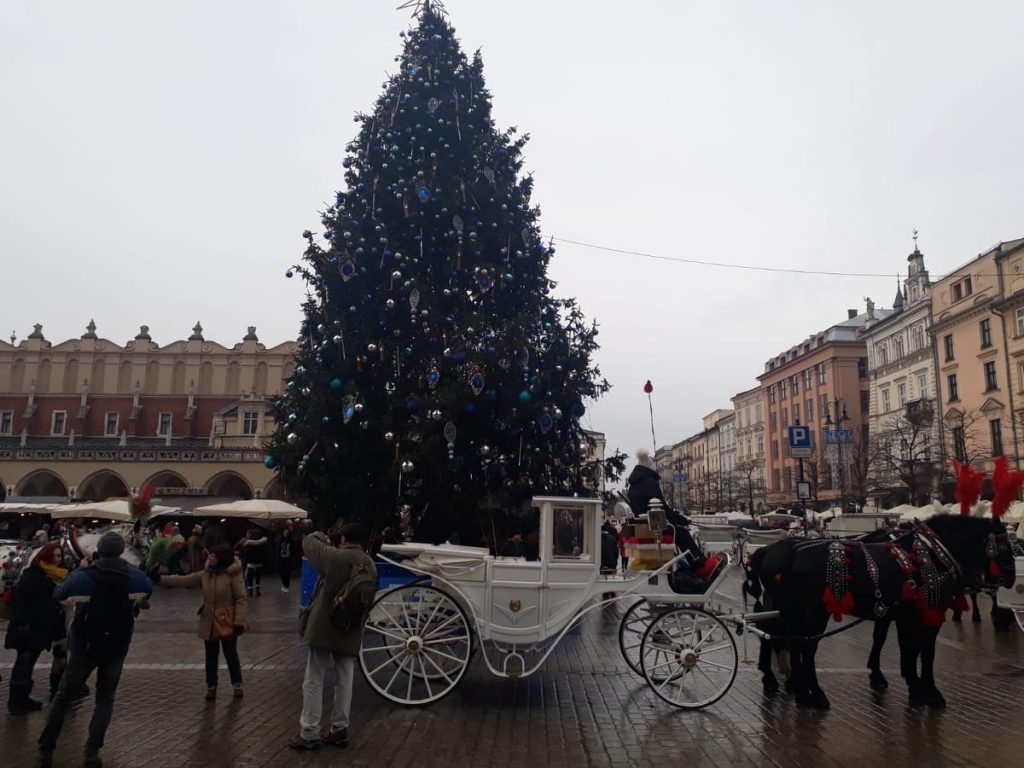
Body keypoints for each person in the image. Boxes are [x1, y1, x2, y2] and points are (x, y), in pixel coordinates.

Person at [38, 532, 152, 768]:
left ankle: (46, 746)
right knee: (105, 699)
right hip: (117, 646)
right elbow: (147, 591)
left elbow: (58, 595)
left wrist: (80, 570)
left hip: (83, 646)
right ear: (121, 551)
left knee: (63, 697)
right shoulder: (136, 577)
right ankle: (92, 752)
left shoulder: (84, 576)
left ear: (98, 550)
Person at [288, 524, 376, 751]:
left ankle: (309, 732)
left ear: (344, 538)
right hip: (351, 627)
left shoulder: (334, 557)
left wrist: (323, 535)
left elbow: (309, 543)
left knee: (314, 678)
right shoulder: (370, 564)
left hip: (324, 626)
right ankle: (339, 729)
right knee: (345, 679)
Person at [157, 542, 248, 699]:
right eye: (210, 554)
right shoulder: (206, 573)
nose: (209, 557)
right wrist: (161, 579)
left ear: (221, 558)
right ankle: (211, 686)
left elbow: (241, 598)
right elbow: (186, 580)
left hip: (227, 620)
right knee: (211, 655)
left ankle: (237, 684)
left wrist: (239, 621)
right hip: (209, 619)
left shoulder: (232, 574)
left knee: (230, 653)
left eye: (213, 555)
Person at [5, 543, 68, 715]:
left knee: (28, 663)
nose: (59, 559)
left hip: (36, 627)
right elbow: (26, 603)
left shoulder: (50, 575)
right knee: (24, 663)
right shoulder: (34, 576)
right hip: (28, 628)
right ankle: (17, 702)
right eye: (55, 556)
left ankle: (22, 698)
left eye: (60, 556)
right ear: (46, 557)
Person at [240, 528, 268, 597]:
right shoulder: (261, 542)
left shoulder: (248, 543)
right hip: (259, 562)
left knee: (250, 577)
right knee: (258, 577)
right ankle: (258, 591)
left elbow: (246, 553)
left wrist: (243, 545)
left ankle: (250, 592)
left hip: (250, 562)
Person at [278, 528, 294, 593]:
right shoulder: (280, 540)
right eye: (284, 532)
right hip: (281, 558)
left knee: (287, 573)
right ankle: (283, 584)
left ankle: (287, 586)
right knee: (282, 573)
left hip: (288, 558)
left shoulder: (291, 541)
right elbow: (278, 549)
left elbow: (293, 550)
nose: (285, 534)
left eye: (287, 532)